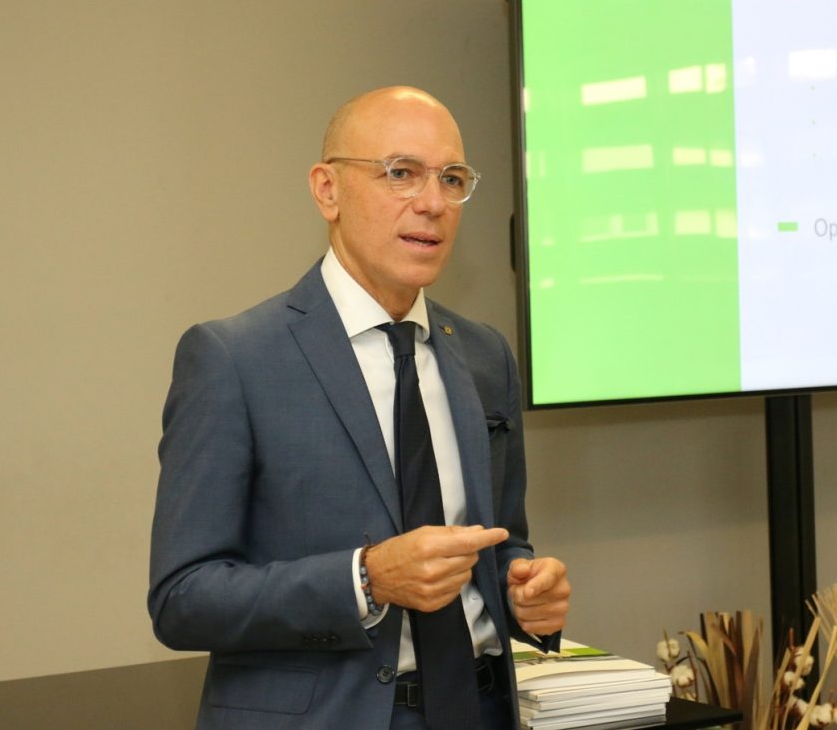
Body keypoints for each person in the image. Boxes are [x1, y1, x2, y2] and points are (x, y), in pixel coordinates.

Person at [148, 86, 571, 730]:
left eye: (452, 179)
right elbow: (182, 599)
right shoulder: (234, 359)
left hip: (479, 708)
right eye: (400, 173)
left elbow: (502, 541)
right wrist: (365, 581)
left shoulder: (485, 355)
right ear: (328, 191)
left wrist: (526, 588)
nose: (432, 203)